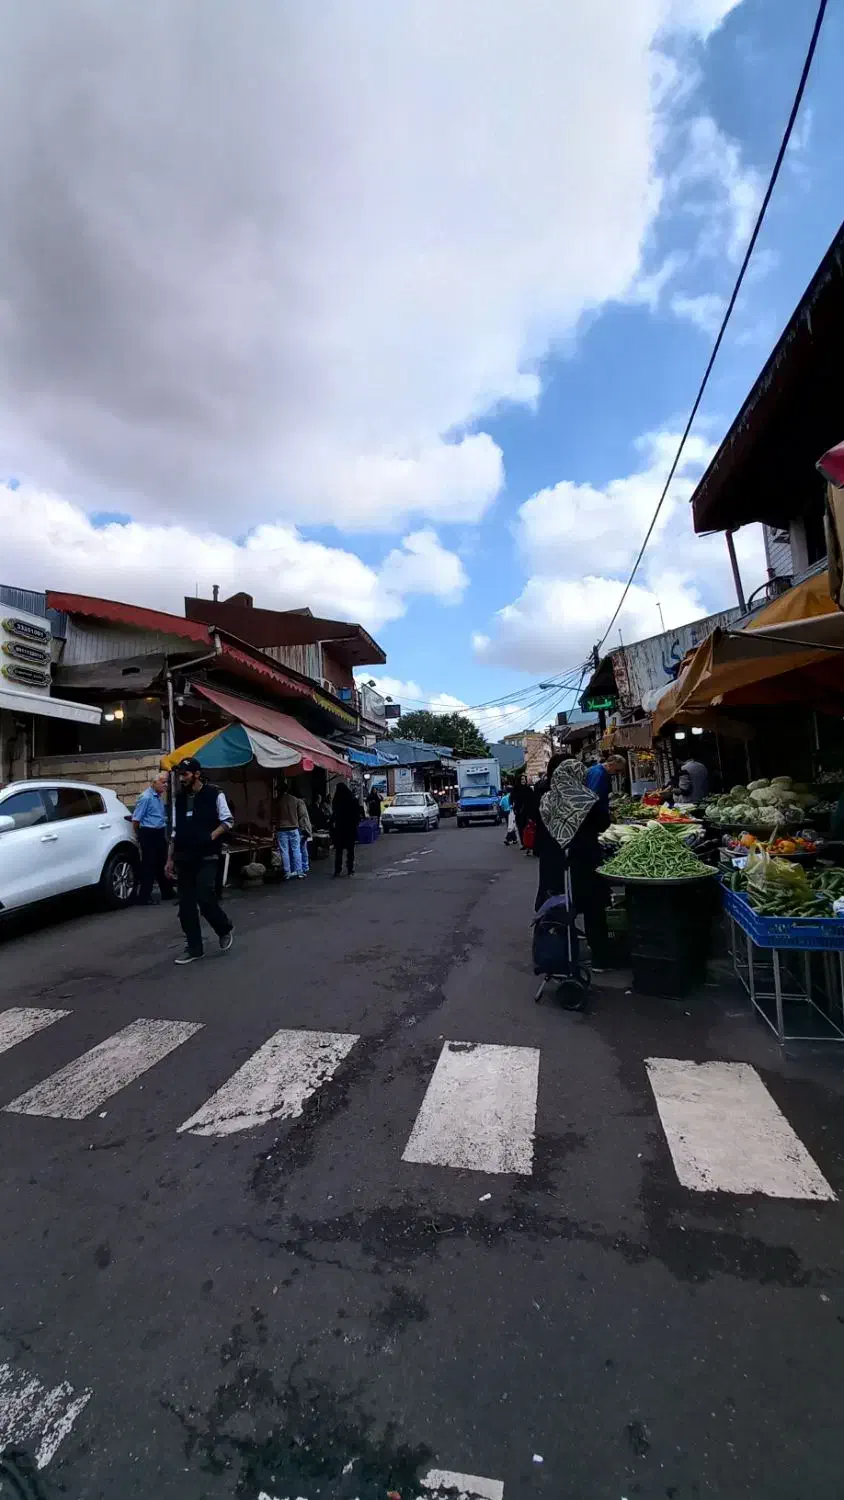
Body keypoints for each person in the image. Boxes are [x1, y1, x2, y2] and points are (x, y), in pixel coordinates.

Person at [535, 754, 613, 970]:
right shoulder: (586, 798)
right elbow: (603, 823)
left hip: (555, 862)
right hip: (584, 860)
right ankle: (600, 957)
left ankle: (561, 955)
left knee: (559, 909)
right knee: (593, 909)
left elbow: (542, 830)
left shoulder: (547, 799)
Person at [165, 758, 234, 964]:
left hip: (207, 855)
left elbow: (228, 821)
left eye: (185, 774)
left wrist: (210, 837)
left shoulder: (214, 794)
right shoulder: (179, 798)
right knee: (185, 906)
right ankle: (195, 948)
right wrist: (169, 859)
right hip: (184, 857)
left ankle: (223, 928)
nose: (181, 778)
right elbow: (175, 831)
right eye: (179, 775)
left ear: (196, 774)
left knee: (204, 896)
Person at [132, 773, 174, 904]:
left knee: (162, 863)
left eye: (166, 782)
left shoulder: (158, 797)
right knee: (149, 865)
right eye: (163, 782)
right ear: (154, 783)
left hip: (159, 832)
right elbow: (136, 820)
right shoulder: (145, 798)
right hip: (148, 833)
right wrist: (140, 836)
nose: (165, 785)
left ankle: (167, 891)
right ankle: (144, 896)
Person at [332, 781, 363, 876]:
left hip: (340, 829)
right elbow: (358, 816)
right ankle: (350, 869)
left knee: (339, 851)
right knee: (350, 851)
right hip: (350, 829)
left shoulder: (336, 801)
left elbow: (334, 815)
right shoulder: (353, 801)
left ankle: (337, 870)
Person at [275, 779, 304, 879]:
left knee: (284, 851)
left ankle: (287, 872)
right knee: (296, 849)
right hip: (294, 827)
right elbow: (300, 814)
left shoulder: (278, 801)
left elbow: (274, 816)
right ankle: (299, 871)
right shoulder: (295, 800)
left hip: (281, 829)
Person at [585, 752, 626, 817]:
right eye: (617, 770)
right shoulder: (599, 774)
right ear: (610, 765)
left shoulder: (597, 770)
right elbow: (593, 797)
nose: (618, 773)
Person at [297, 795, 312, 877]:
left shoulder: (299, 802)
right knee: (303, 847)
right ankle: (305, 866)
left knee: (299, 848)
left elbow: (301, 816)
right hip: (305, 828)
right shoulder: (302, 804)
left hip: (301, 828)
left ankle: (302, 867)